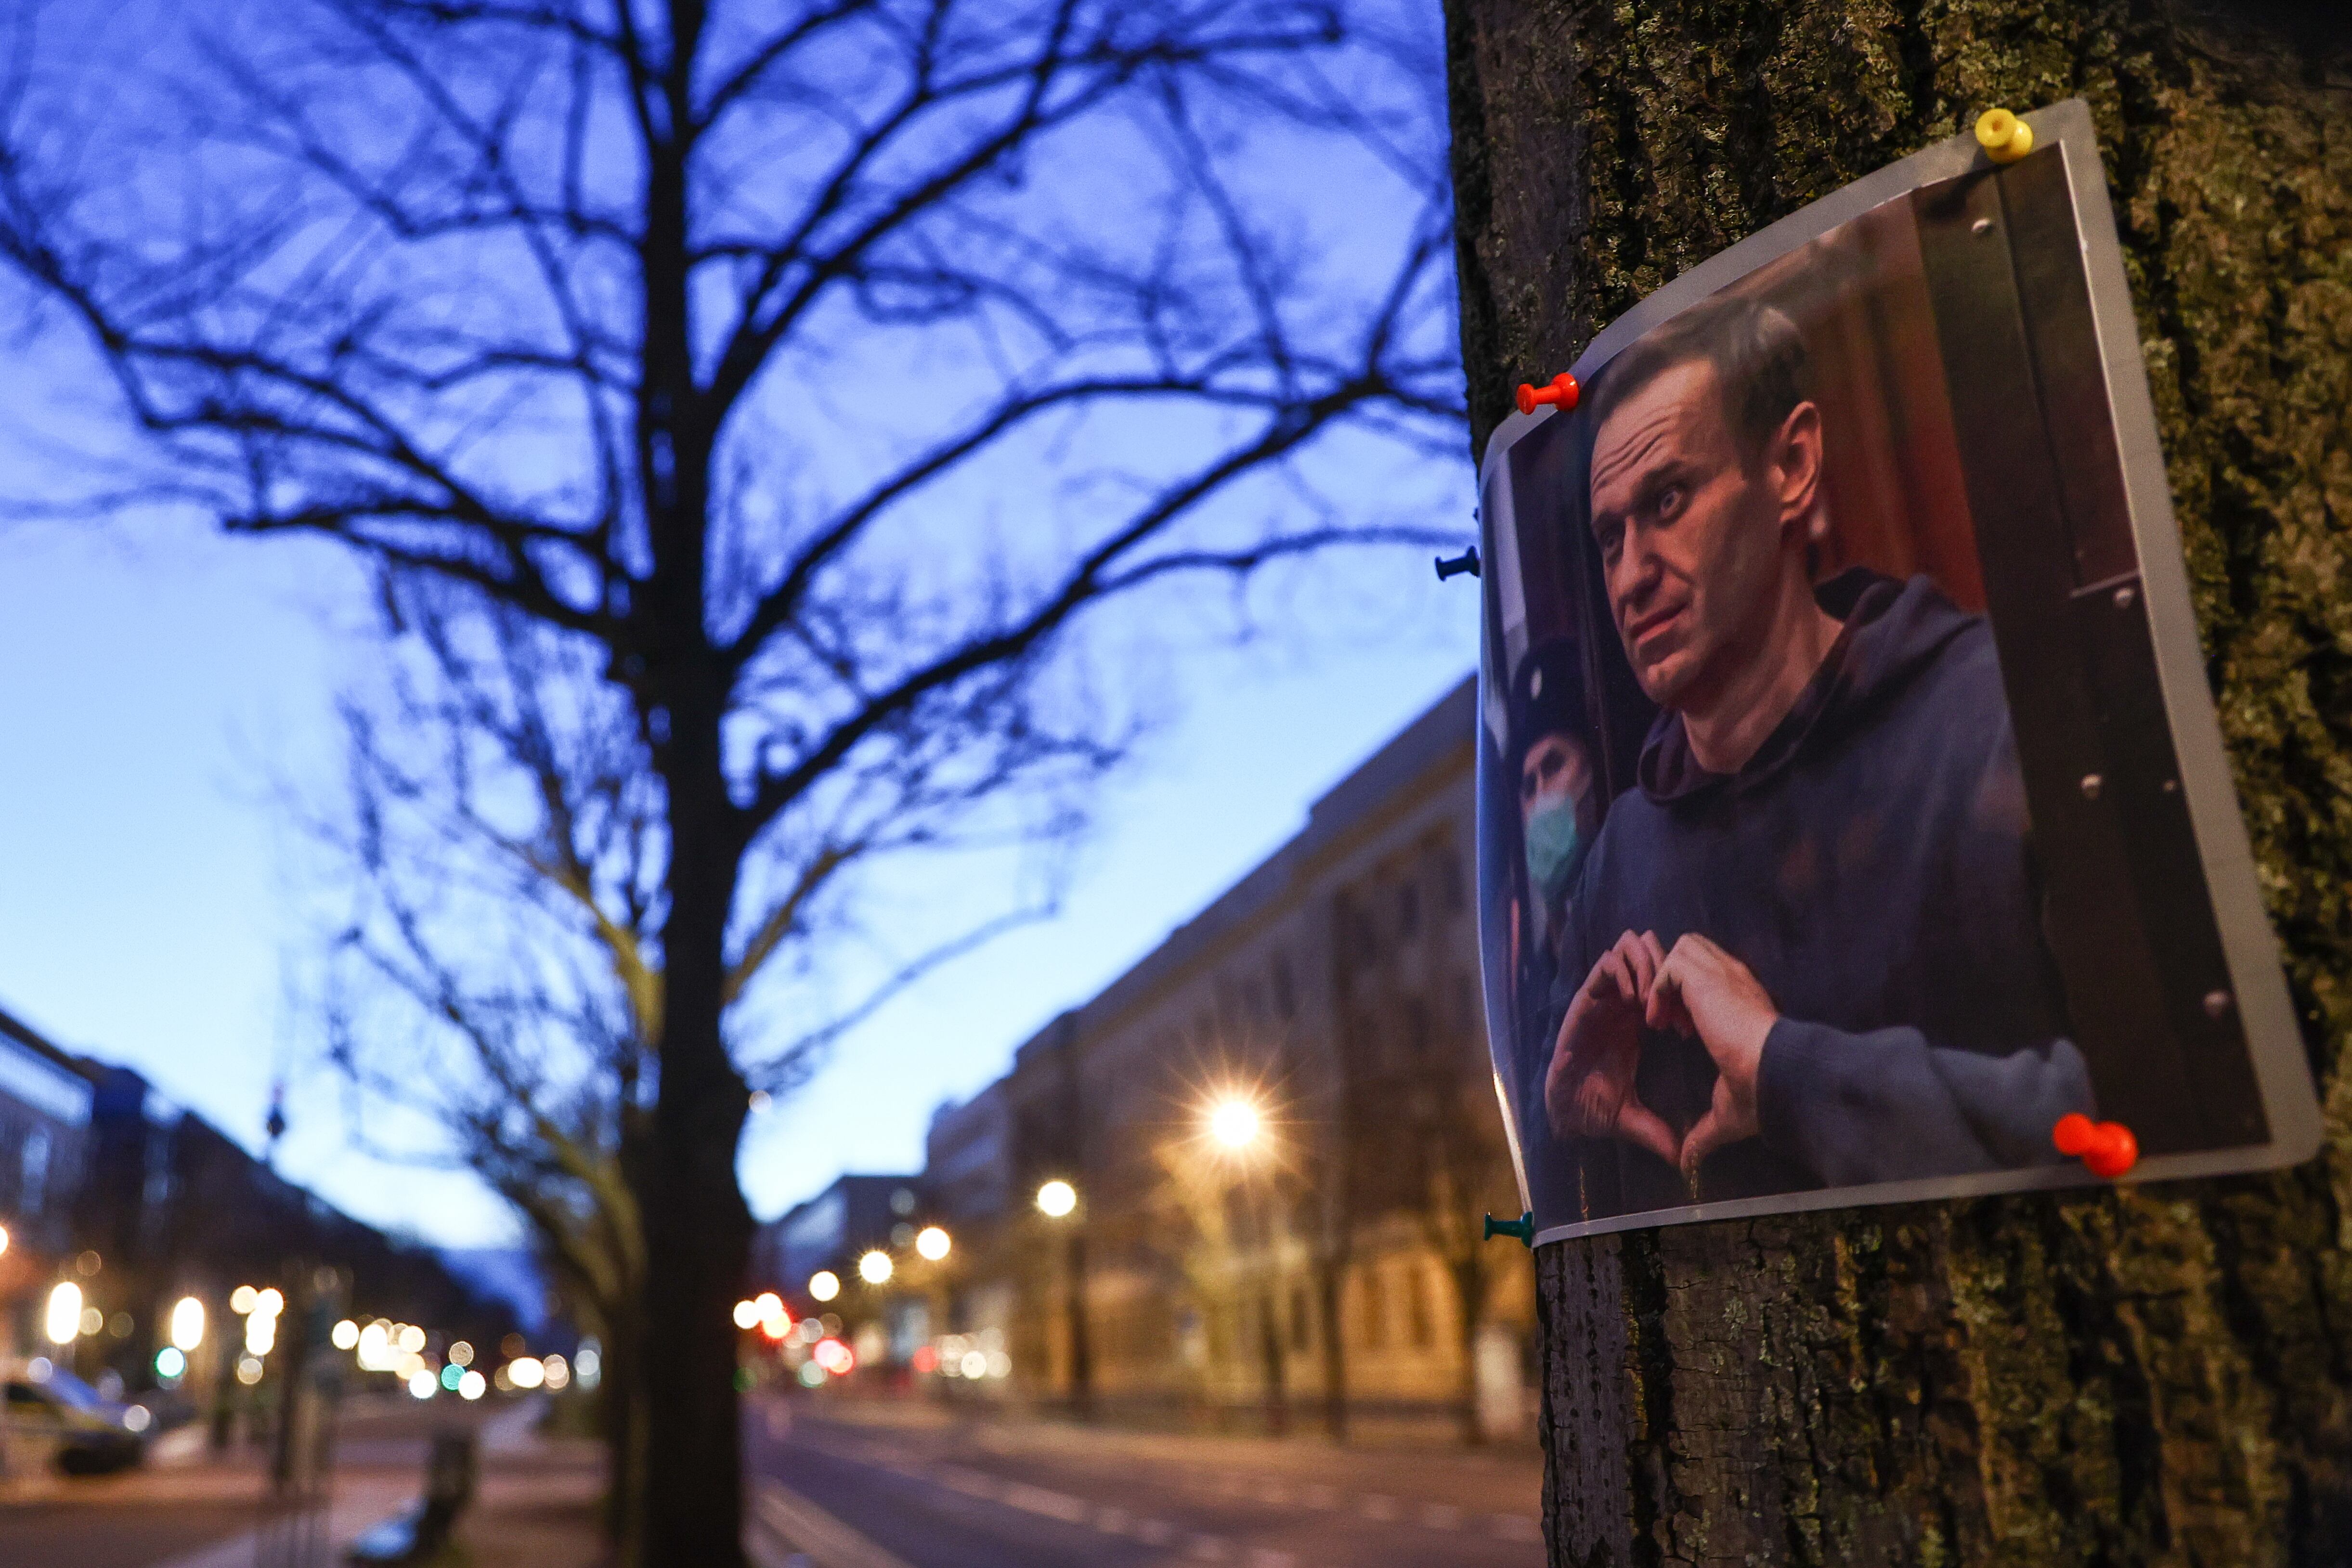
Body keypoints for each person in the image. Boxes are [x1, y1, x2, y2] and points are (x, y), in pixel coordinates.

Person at [1540, 290, 2094, 1214]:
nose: (1631, 575)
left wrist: (1791, 1076)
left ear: (1792, 466)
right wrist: (1569, 1124)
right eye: (1609, 536)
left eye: (1668, 499)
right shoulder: (1617, 860)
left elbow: (2152, 1110)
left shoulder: (1999, 715)